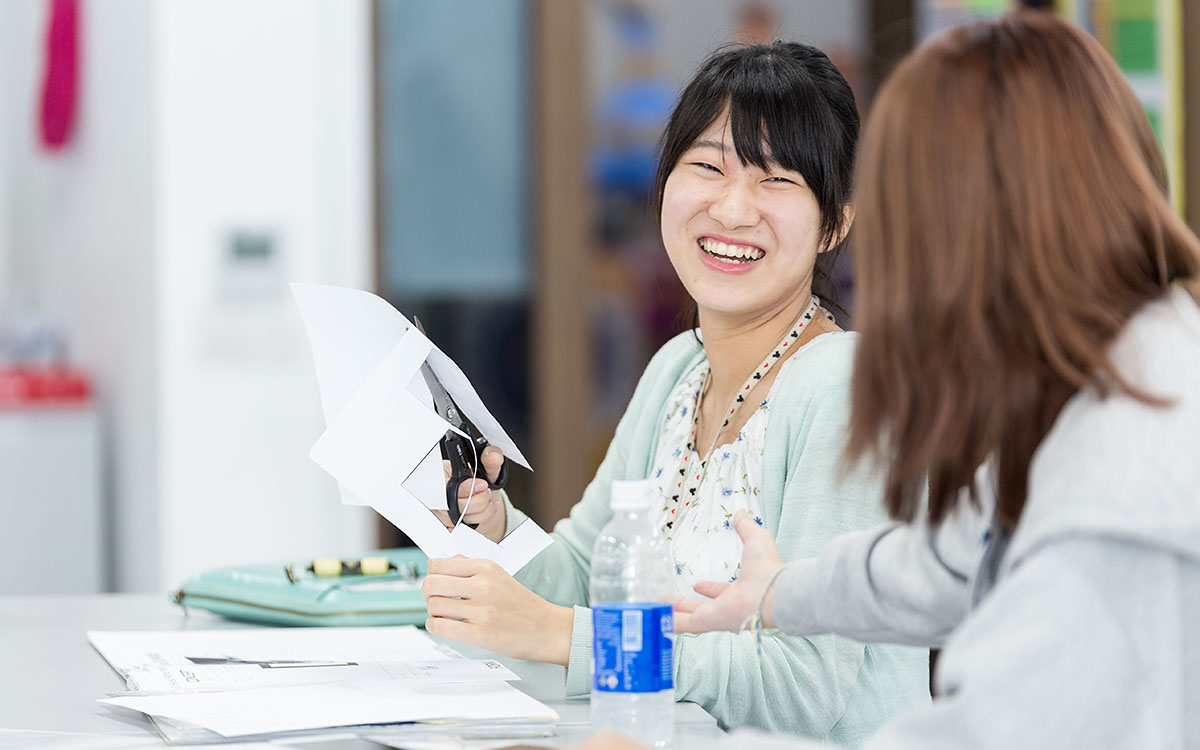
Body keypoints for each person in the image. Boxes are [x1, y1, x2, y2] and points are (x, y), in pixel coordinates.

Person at [646, 11, 1200, 750]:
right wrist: (782, 594)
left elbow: (990, 733)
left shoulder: (1127, 468)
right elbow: (959, 555)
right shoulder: (1123, 361)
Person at [419, 42, 930, 741]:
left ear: (835, 222)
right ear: (665, 183)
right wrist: (496, 526)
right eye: (709, 166)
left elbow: (805, 685)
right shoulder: (676, 370)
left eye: (776, 180)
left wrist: (573, 641)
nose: (732, 207)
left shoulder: (845, 389)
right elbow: (583, 572)